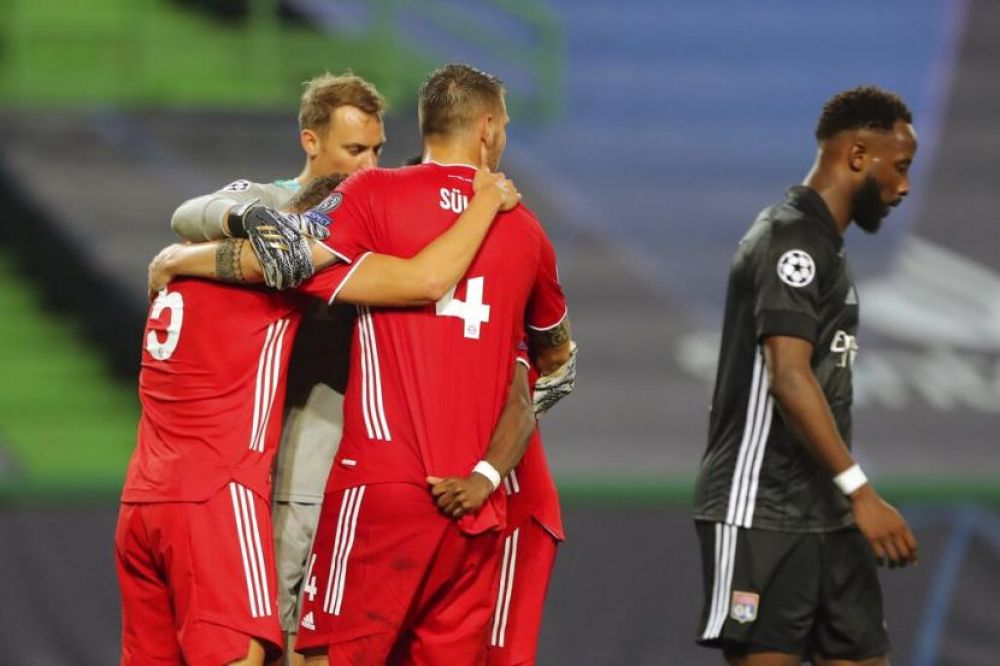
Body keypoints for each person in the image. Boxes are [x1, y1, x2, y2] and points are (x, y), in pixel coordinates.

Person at [117, 166, 521, 666]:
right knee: (239, 655)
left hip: (142, 496)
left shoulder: (187, 274)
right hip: (215, 495)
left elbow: (191, 219)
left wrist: (176, 256)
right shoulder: (289, 274)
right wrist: (486, 202)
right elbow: (426, 279)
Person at [276, 63, 575, 665]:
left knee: (326, 656)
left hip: (382, 483)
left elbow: (284, 256)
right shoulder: (527, 232)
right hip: (473, 503)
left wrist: (185, 256)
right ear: (487, 129)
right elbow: (556, 356)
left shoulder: (371, 193)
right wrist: (489, 469)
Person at [694, 85, 920, 665]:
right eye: (899, 167)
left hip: (829, 510)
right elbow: (789, 377)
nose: (904, 186)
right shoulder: (789, 240)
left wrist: (847, 497)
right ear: (857, 155)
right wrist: (861, 491)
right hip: (761, 510)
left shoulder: (825, 245)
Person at [169, 72, 385, 666]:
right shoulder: (273, 200)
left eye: (377, 149)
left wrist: (184, 260)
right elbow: (189, 213)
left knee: (320, 613)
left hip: (350, 430)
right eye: (355, 149)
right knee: (266, 605)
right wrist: (246, 226)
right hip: (276, 428)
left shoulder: (379, 209)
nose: (370, 165)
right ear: (310, 141)